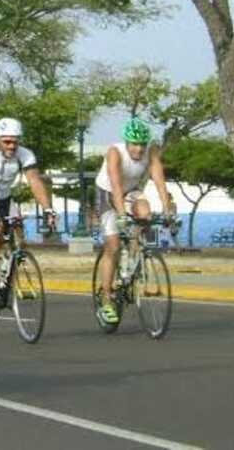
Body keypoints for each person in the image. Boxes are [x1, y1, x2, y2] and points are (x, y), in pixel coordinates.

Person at [0, 117, 56, 302]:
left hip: (5, 199)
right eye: (7, 141)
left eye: (15, 142)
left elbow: (34, 181)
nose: (12, 146)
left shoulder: (25, 155)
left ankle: (5, 275)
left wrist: (48, 209)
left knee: (19, 238)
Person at [94, 117, 171, 325]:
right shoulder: (115, 152)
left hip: (131, 191)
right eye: (134, 144)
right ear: (126, 142)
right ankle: (106, 298)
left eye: (142, 145)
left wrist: (168, 211)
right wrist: (121, 216)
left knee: (145, 213)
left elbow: (160, 182)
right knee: (113, 245)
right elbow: (116, 186)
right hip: (108, 194)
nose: (138, 149)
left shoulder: (151, 151)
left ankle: (134, 260)